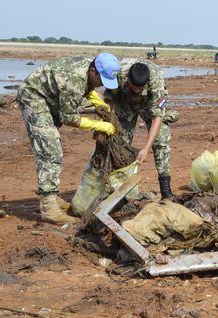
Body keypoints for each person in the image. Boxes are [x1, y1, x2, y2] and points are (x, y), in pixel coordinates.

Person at [17, 53, 121, 224]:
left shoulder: (88, 68)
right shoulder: (73, 80)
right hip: (34, 97)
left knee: (51, 147)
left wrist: (97, 102)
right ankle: (48, 208)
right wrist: (99, 125)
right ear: (93, 71)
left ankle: (50, 196)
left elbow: (86, 87)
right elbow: (70, 118)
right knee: (50, 150)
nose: (103, 84)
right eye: (101, 79)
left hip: (49, 96)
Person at [103, 59, 173, 198]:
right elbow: (109, 101)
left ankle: (165, 189)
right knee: (120, 143)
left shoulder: (156, 82)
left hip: (148, 104)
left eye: (139, 89)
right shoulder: (118, 74)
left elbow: (156, 118)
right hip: (125, 102)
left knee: (161, 141)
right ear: (127, 79)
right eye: (133, 87)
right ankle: (118, 187)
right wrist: (105, 124)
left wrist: (146, 148)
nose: (136, 91)